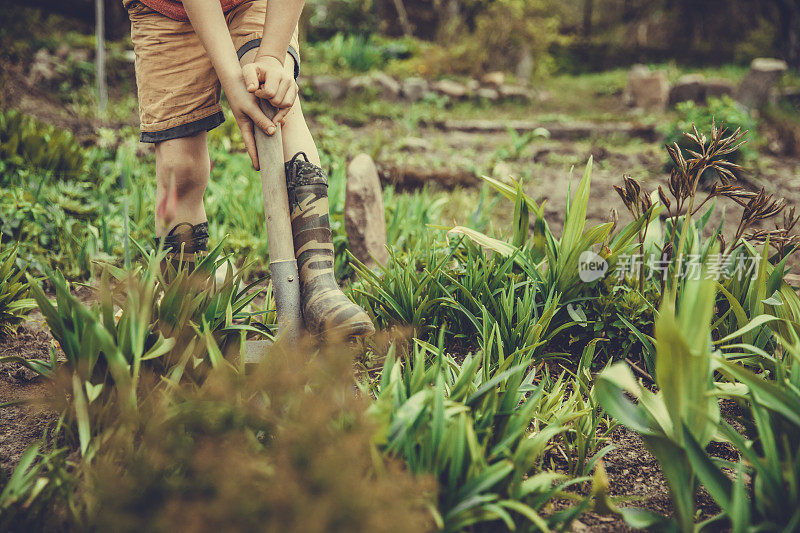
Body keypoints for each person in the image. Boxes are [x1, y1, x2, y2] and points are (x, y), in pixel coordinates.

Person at [124, 0, 374, 338]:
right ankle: (188, 312)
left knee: (278, 105)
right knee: (178, 166)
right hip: (163, 12)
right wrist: (231, 79)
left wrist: (271, 58)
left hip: (255, 5)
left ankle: (320, 285)